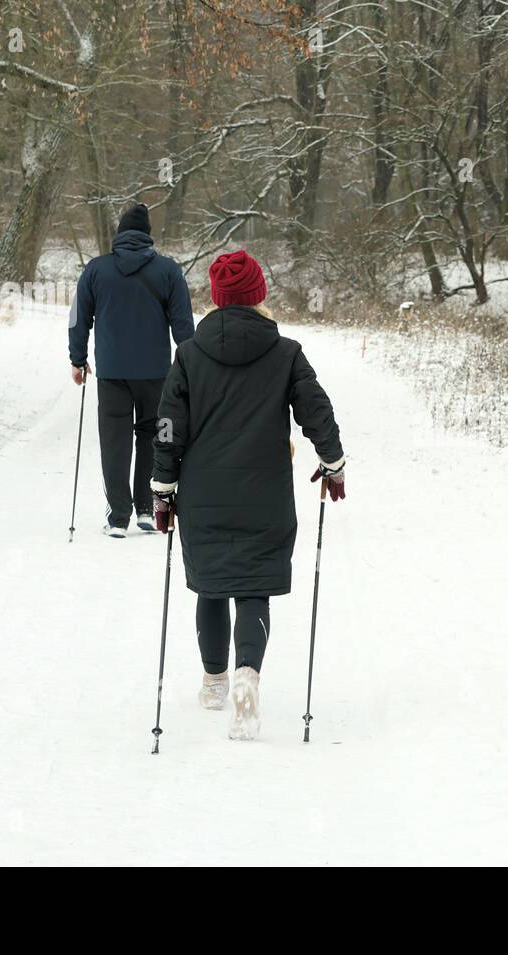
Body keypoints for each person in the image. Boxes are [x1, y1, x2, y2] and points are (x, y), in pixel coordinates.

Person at [150, 250, 345, 741]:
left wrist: (162, 489)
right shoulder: (286, 352)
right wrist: (334, 463)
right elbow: (316, 410)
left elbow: (169, 427)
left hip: (203, 494)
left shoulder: (190, 355)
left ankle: (214, 682)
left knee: (211, 584)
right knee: (253, 587)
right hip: (266, 493)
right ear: (259, 295)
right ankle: (246, 677)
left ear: (215, 298)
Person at [69, 203, 195, 537]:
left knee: (115, 440)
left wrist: (77, 359)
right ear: (148, 236)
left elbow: (78, 319)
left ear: (120, 235)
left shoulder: (96, 270)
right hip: (156, 373)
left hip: (112, 373)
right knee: (153, 436)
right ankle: (145, 509)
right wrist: (190, 366)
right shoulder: (168, 271)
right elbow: (183, 324)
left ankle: (117, 518)